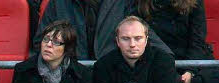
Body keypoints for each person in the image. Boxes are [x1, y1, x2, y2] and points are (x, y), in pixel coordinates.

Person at [34, 0, 175, 60]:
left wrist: (168, 60)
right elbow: (40, 42)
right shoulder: (58, 3)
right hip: (70, 78)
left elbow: (143, 34)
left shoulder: (121, 3)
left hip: (111, 76)